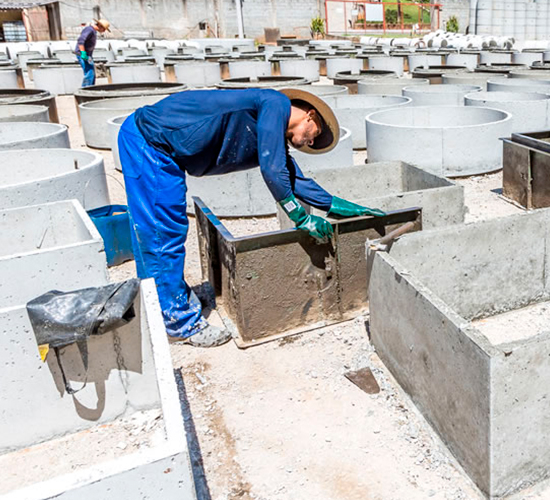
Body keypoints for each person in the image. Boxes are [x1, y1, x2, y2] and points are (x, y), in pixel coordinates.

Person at [117, 88, 384, 347]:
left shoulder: (268, 124)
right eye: (314, 136)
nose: (310, 143)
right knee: (162, 232)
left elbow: (292, 178)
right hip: (150, 143)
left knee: (158, 230)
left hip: (160, 149)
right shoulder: (275, 103)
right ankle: (178, 324)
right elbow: (272, 168)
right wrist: (300, 217)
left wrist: (337, 206)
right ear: (310, 116)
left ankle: (158, 300)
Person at [74, 18, 109, 88]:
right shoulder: (89, 30)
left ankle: (90, 88)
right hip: (83, 55)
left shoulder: (93, 31)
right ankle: (86, 89)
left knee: (91, 73)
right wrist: (83, 53)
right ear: (100, 26)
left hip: (88, 55)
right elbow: (81, 41)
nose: (104, 31)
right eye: (104, 29)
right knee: (89, 72)